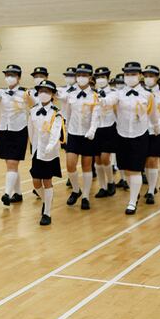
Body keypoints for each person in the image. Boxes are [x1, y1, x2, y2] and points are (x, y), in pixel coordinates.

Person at [100, 61, 160, 215]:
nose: (130, 77)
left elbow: (153, 114)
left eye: (133, 74)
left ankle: (132, 202)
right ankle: (136, 190)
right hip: (122, 135)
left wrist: (156, 128)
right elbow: (109, 101)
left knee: (135, 169)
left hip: (140, 135)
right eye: (127, 74)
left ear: (139, 75)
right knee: (126, 169)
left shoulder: (147, 95)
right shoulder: (118, 93)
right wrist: (102, 101)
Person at [0, 65, 30, 206]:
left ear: (19, 77)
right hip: (4, 130)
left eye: (12, 75)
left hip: (19, 131)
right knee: (11, 165)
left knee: (12, 163)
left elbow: (34, 104)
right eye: (7, 74)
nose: (9, 77)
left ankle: (7, 194)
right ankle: (18, 194)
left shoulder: (25, 93)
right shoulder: (1, 92)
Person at [55, 63, 100, 210]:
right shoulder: (70, 94)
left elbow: (96, 115)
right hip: (74, 134)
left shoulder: (95, 95)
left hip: (88, 135)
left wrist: (93, 129)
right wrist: (67, 129)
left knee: (87, 167)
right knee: (70, 165)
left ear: (90, 77)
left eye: (84, 75)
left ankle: (86, 196)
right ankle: (76, 190)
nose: (81, 78)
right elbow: (67, 112)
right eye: (79, 75)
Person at [28, 80, 64, 226]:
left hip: (49, 152)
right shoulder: (32, 110)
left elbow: (56, 132)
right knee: (36, 182)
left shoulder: (57, 113)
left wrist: (50, 145)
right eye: (41, 91)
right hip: (37, 150)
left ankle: (47, 212)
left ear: (52, 95)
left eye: (47, 91)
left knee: (47, 181)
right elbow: (31, 129)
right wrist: (32, 146)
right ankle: (46, 201)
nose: (43, 94)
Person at [141, 65, 160, 205]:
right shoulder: (140, 93)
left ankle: (151, 190)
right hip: (142, 130)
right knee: (144, 160)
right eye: (146, 76)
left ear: (157, 77)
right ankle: (150, 185)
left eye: (151, 76)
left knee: (152, 160)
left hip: (157, 131)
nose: (148, 78)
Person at [92, 66, 117, 198]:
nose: (100, 80)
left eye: (103, 77)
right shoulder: (92, 92)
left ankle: (111, 182)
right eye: (98, 77)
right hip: (96, 127)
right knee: (97, 159)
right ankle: (102, 186)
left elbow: (109, 102)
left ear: (107, 78)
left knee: (105, 157)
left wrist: (100, 99)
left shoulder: (113, 92)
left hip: (109, 126)